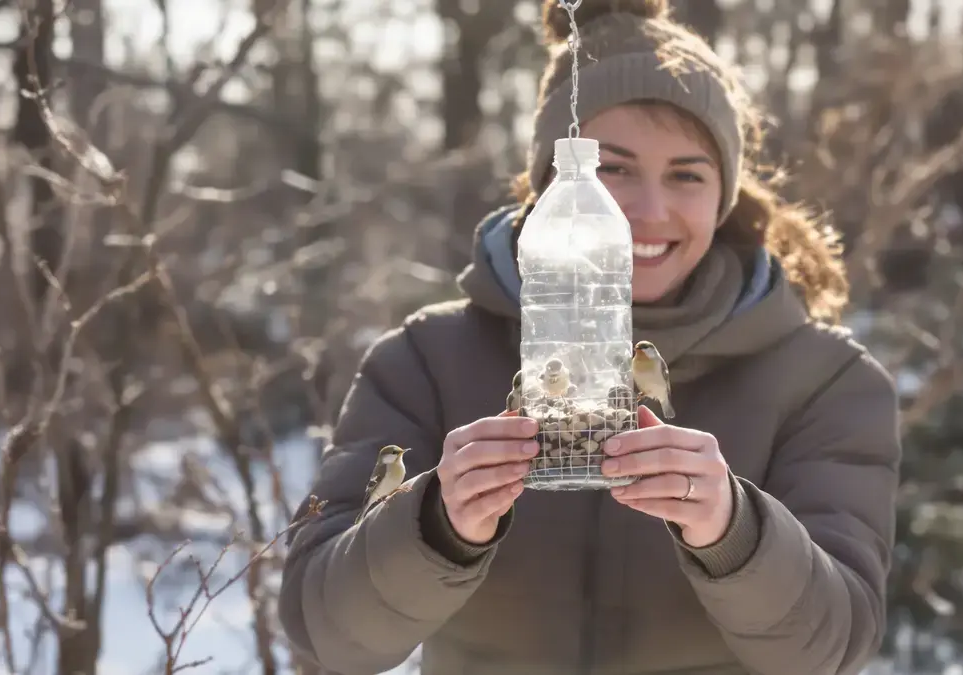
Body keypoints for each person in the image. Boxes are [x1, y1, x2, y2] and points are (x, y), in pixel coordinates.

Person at [278, 1, 902, 673]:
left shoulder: (825, 379)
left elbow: (835, 646)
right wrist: (436, 525)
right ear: (554, 181)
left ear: (723, 194)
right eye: (614, 167)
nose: (648, 212)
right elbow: (324, 634)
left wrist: (734, 531)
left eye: (687, 174)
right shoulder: (426, 361)